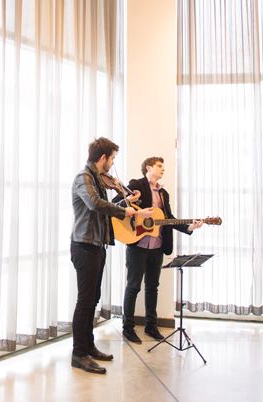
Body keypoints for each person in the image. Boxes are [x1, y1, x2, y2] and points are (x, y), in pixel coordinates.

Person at [70, 137, 153, 374]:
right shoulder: (83, 178)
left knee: (93, 299)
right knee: (85, 302)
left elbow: (105, 208)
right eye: (113, 158)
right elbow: (96, 205)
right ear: (103, 157)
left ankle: (89, 347)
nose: (113, 162)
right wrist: (127, 210)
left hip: (97, 245)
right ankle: (79, 354)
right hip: (84, 246)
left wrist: (127, 200)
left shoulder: (97, 179)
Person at [119, 156, 203, 344]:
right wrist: (136, 215)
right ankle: (128, 328)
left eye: (163, 166)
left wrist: (190, 227)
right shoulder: (136, 184)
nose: (162, 169)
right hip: (138, 245)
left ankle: (151, 326)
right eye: (159, 166)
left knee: (152, 288)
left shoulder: (163, 193)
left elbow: (169, 218)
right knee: (133, 287)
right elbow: (118, 203)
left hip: (157, 247)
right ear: (148, 167)